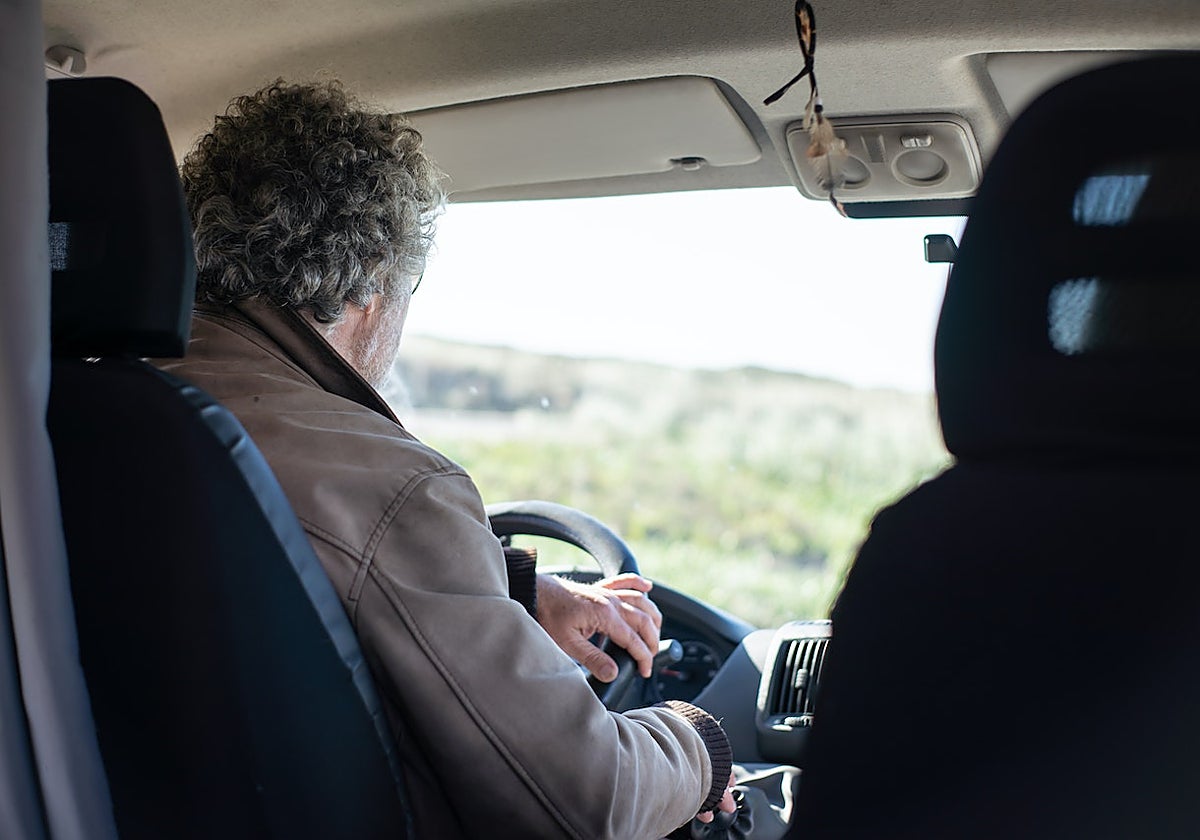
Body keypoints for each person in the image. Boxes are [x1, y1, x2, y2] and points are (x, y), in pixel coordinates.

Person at [157, 79, 736, 838]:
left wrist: (515, 590)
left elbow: (298, 564)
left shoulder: (101, 400)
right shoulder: (394, 487)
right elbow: (587, 804)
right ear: (372, 281)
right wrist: (699, 744)